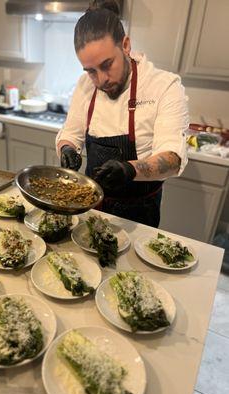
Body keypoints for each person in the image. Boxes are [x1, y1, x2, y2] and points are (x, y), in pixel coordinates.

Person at [56, 0, 189, 228]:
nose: (101, 80)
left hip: (139, 216)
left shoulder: (164, 86)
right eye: (91, 71)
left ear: (126, 45)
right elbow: (71, 132)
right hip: (89, 207)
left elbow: (172, 159)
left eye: (107, 65)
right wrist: (68, 148)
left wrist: (130, 169)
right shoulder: (85, 85)